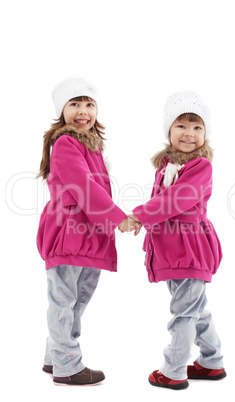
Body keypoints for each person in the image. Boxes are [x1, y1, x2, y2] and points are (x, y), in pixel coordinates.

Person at [36, 76, 141, 386]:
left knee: (76, 298)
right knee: (65, 298)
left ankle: (54, 357)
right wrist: (118, 218)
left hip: (87, 234)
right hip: (70, 231)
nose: (83, 111)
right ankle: (68, 365)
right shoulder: (66, 142)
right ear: (62, 110)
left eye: (89, 104)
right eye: (75, 104)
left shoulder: (90, 145)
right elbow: (83, 187)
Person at [130, 91, 227, 390]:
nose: (189, 133)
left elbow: (175, 200)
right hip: (173, 250)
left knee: (183, 312)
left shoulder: (200, 167)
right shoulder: (167, 167)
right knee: (196, 308)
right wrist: (146, 226)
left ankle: (173, 370)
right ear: (169, 131)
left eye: (197, 127)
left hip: (190, 249)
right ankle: (211, 361)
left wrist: (139, 216)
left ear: (205, 134)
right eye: (182, 125)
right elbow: (160, 202)